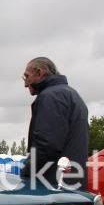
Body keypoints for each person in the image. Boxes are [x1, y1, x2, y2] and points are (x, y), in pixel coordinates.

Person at [19, 57, 89, 189]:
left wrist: (26, 173)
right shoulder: (72, 95)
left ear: (39, 73)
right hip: (72, 182)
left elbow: (46, 145)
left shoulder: (50, 97)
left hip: (51, 185)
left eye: (27, 77)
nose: (25, 84)